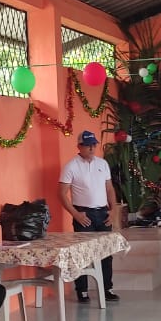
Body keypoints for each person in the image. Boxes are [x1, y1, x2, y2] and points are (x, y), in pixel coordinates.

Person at [59, 129, 120, 304]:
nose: (91, 148)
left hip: (103, 213)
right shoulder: (71, 166)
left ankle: (107, 289)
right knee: (82, 253)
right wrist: (75, 214)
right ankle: (82, 291)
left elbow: (109, 188)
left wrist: (113, 210)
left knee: (106, 252)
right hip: (83, 214)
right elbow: (62, 193)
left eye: (93, 144)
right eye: (87, 145)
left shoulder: (103, 164)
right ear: (79, 146)